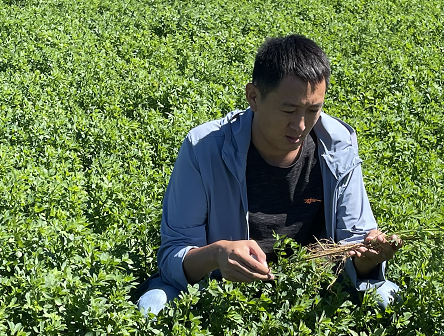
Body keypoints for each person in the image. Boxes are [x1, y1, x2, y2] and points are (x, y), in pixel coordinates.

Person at [136, 35, 401, 315]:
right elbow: (173, 256)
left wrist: (368, 258)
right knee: (152, 308)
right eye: (288, 110)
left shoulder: (337, 146)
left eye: (313, 110)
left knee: (388, 300)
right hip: (220, 289)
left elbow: (354, 241)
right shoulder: (204, 148)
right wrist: (217, 254)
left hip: (312, 286)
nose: (301, 125)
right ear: (253, 97)